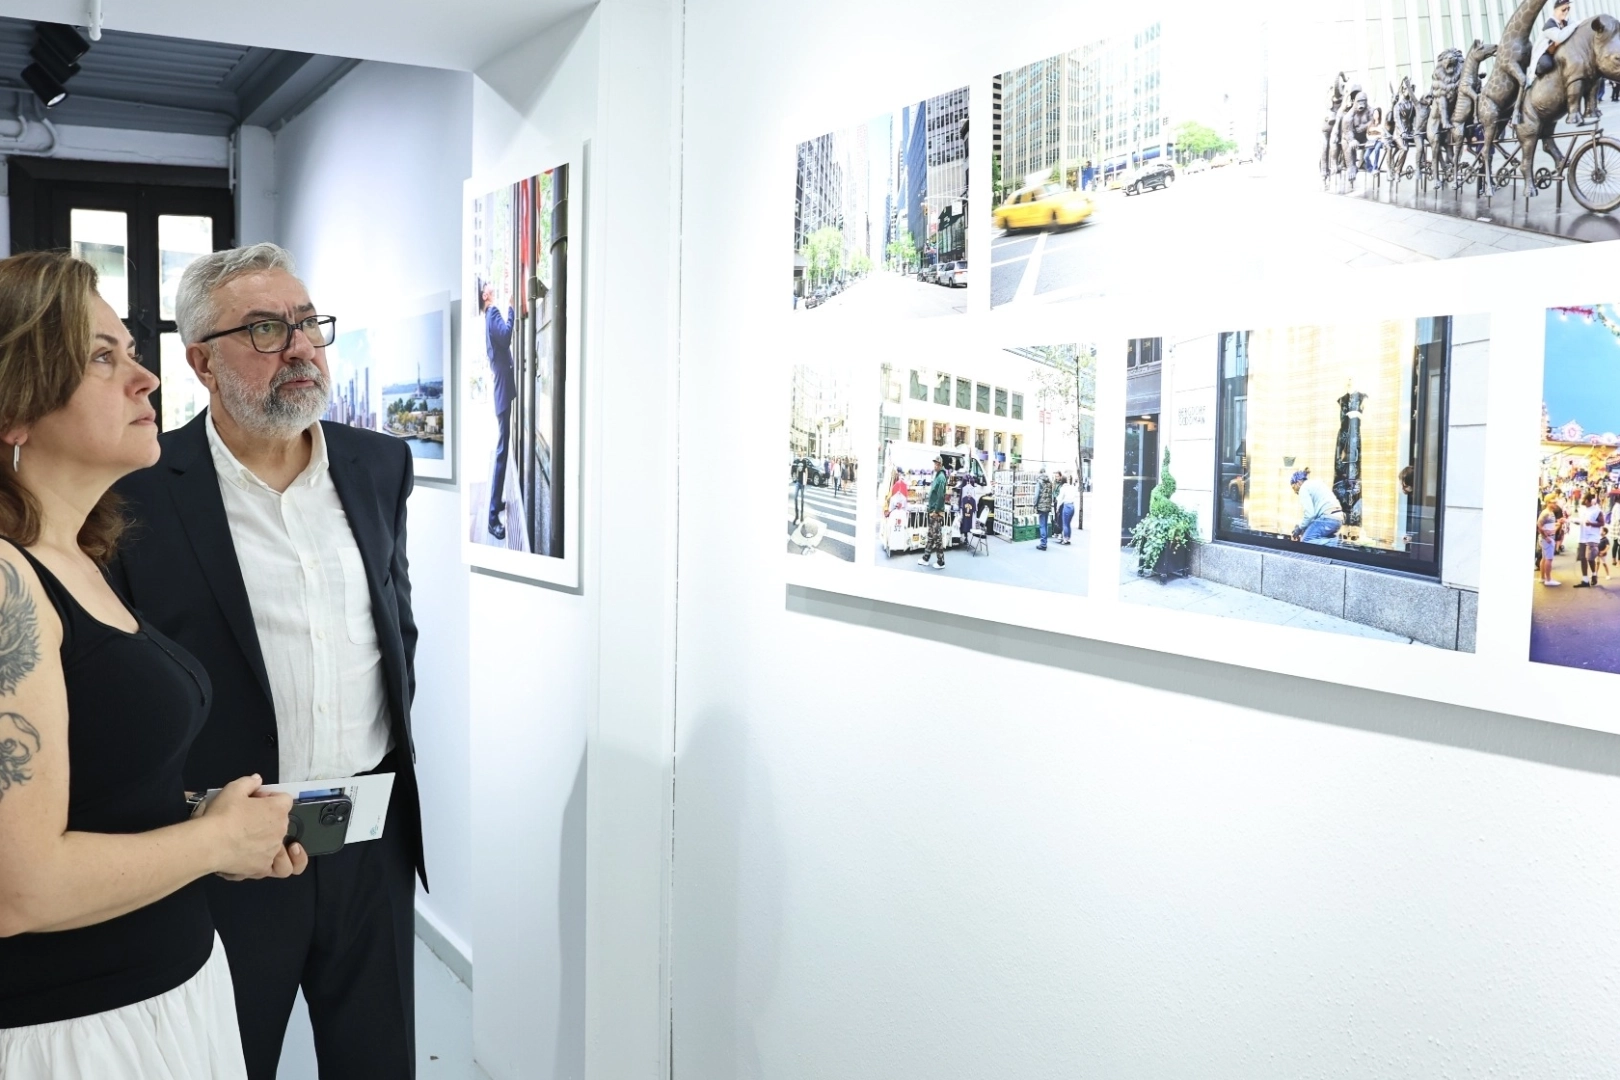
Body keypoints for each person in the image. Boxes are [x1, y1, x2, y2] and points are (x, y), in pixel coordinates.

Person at [110, 244, 425, 1080]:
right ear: (201, 362)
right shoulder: (141, 488)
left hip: (368, 834)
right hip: (225, 847)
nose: (301, 348)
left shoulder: (378, 465)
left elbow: (395, 626)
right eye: (264, 329)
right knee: (228, 1059)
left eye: (308, 324)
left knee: (379, 1061)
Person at [0, 251, 302, 1076]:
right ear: (14, 408)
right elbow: (19, 889)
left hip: (165, 993)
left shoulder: (74, 555)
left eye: (132, 351)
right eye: (103, 358)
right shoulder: (7, 580)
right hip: (73, 1031)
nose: (146, 380)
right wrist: (214, 843)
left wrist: (226, 830)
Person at [479, 279, 515, 542]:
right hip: (502, 391)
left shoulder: (488, 317)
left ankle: (495, 503)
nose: (492, 287)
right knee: (501, 451)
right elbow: (506, 335)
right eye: (489, 286)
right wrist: (511, 308)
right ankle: (492, 517)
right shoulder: (493, 313)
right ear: (485, 295)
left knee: (503, 448)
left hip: (502, 388)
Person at [1523, 0, 1576, 121]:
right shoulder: (1549, 24)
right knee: (1547, 64)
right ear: (1556, 9)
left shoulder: (1566, 22)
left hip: (1556, 53)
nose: (1566, 12)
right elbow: (1559, 37)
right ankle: (1534, 77)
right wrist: (1574, 25)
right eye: (1563, 9)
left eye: (1568, 9)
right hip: (1544, 55)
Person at [1289, 468, 1344, 543]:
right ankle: (1335, 541)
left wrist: (1300, 527)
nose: (1295, 491)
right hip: (1338, 519)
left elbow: (1309, 515)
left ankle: (1335, 543)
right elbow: (1314, 517)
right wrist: (1303, 527)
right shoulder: (1315, 483)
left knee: (1307, 540)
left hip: (1327, 519)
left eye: (1294, 487)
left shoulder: (1303, 488)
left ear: (1298, 482)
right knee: (1317, 538)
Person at [920, 455, 947, 569]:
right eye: (934, 463)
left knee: (937, 537)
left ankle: (941, 562)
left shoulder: (941, 477)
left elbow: (941, 496)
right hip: (933, 511)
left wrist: (936, 510)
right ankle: (925, 558)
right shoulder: (938, 476)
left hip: (936, 513)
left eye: (936, 464)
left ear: (940, 464)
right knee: (931, 535)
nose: (934, 465)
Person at [1575, 491, 1605, 587]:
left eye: (1582, 498)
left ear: (1587, 500)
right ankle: (1585, 580)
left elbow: (1602, 523)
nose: (1581, 500)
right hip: (1582, 536)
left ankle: (1594, 574)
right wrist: (1577, 522)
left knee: (1590, 558)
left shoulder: (1597, 510)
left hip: (1592, 537)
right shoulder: (1582, 509)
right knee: (1582, 558)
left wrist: (1591, 524)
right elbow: (1581, 520)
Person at [1539, 494, 1563, 586]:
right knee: (1548, 559)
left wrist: (1559, 523)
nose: (1556, 504)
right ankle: (1548, 580)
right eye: (1554, 502)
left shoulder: (1550, 512)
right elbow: (1539, 525)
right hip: (1547, 539)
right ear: (1548, 503)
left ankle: (1543, 578)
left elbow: (1549, 526)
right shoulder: (1546, 513)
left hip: (1547, 538)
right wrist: (1546, 537)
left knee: (1545, 558)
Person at [1034, 468, 1054, 551]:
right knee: (1045, 524)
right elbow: (1051, 495)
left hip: (1041, 506)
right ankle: (1045, 542)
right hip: (1047, 506)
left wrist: (1035, 504)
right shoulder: (1049, 482)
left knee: (1042, 525)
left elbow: (1036, 495)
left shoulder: (1039, 482)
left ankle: (1043, 544)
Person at [1058, 472, 1078, 545]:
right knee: (1068, 524)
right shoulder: (1072, 487)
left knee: (1065, 524)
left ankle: (1065, 539)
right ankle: (1068, 538)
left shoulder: (1063, 488)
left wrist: (1057, 507)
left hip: (1066, 505)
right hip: (1072, 506)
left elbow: (1060, 499)